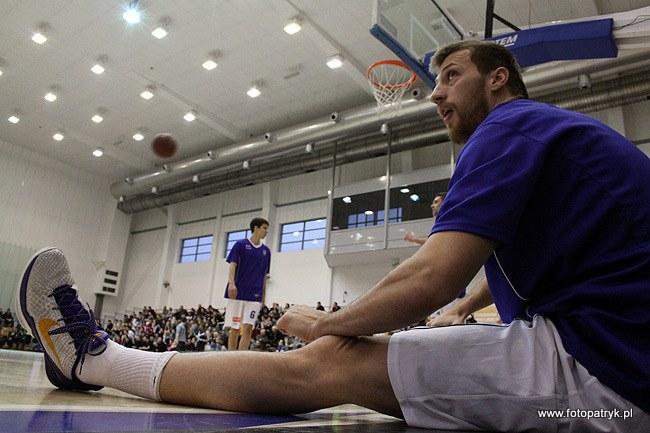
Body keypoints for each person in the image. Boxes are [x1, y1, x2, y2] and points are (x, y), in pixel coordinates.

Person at [16, 40, 649, 432]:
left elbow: (430, 276)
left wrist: (331, 323)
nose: (435, 94)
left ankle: (96, 359)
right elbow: (477, 279)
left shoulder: (509, 130)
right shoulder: (553, 140)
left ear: (499, 79)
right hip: (621, 371)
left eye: (451, 75)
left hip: (607, 384)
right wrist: (463, 307)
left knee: (329, 362)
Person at [224, 217, 271, 351]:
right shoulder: (240, 244)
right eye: (264, 228)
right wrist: (231, 284)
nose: (266, 231)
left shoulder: (266, 252)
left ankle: (241, 358)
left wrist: (263, 296)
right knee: (235, 328)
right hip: (238, 293)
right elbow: (232, 265)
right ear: (255, 228)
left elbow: (264, 276)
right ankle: (231, 358)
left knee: (248, 329)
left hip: (254, 295)